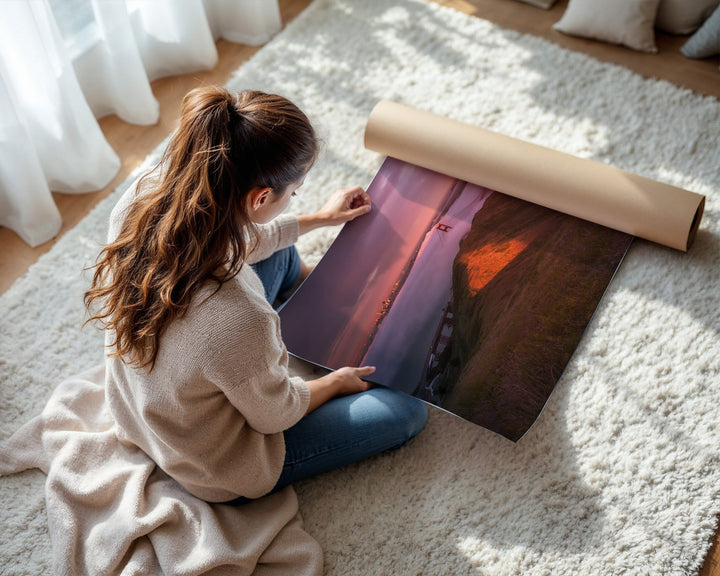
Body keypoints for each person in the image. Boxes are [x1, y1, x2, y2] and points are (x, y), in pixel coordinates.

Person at [84, 86, 428, 505]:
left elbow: (244, 239)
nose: (294, 199)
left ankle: (316, 311)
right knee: (406, 412)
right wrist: (336, 382)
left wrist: (320, 217)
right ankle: (313, 335)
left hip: (146, 406)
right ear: (261, 197)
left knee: (280, 253)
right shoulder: (238, 316)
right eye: (294, 193)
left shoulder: (146, 193)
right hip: (212, 461)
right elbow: (275, 414)